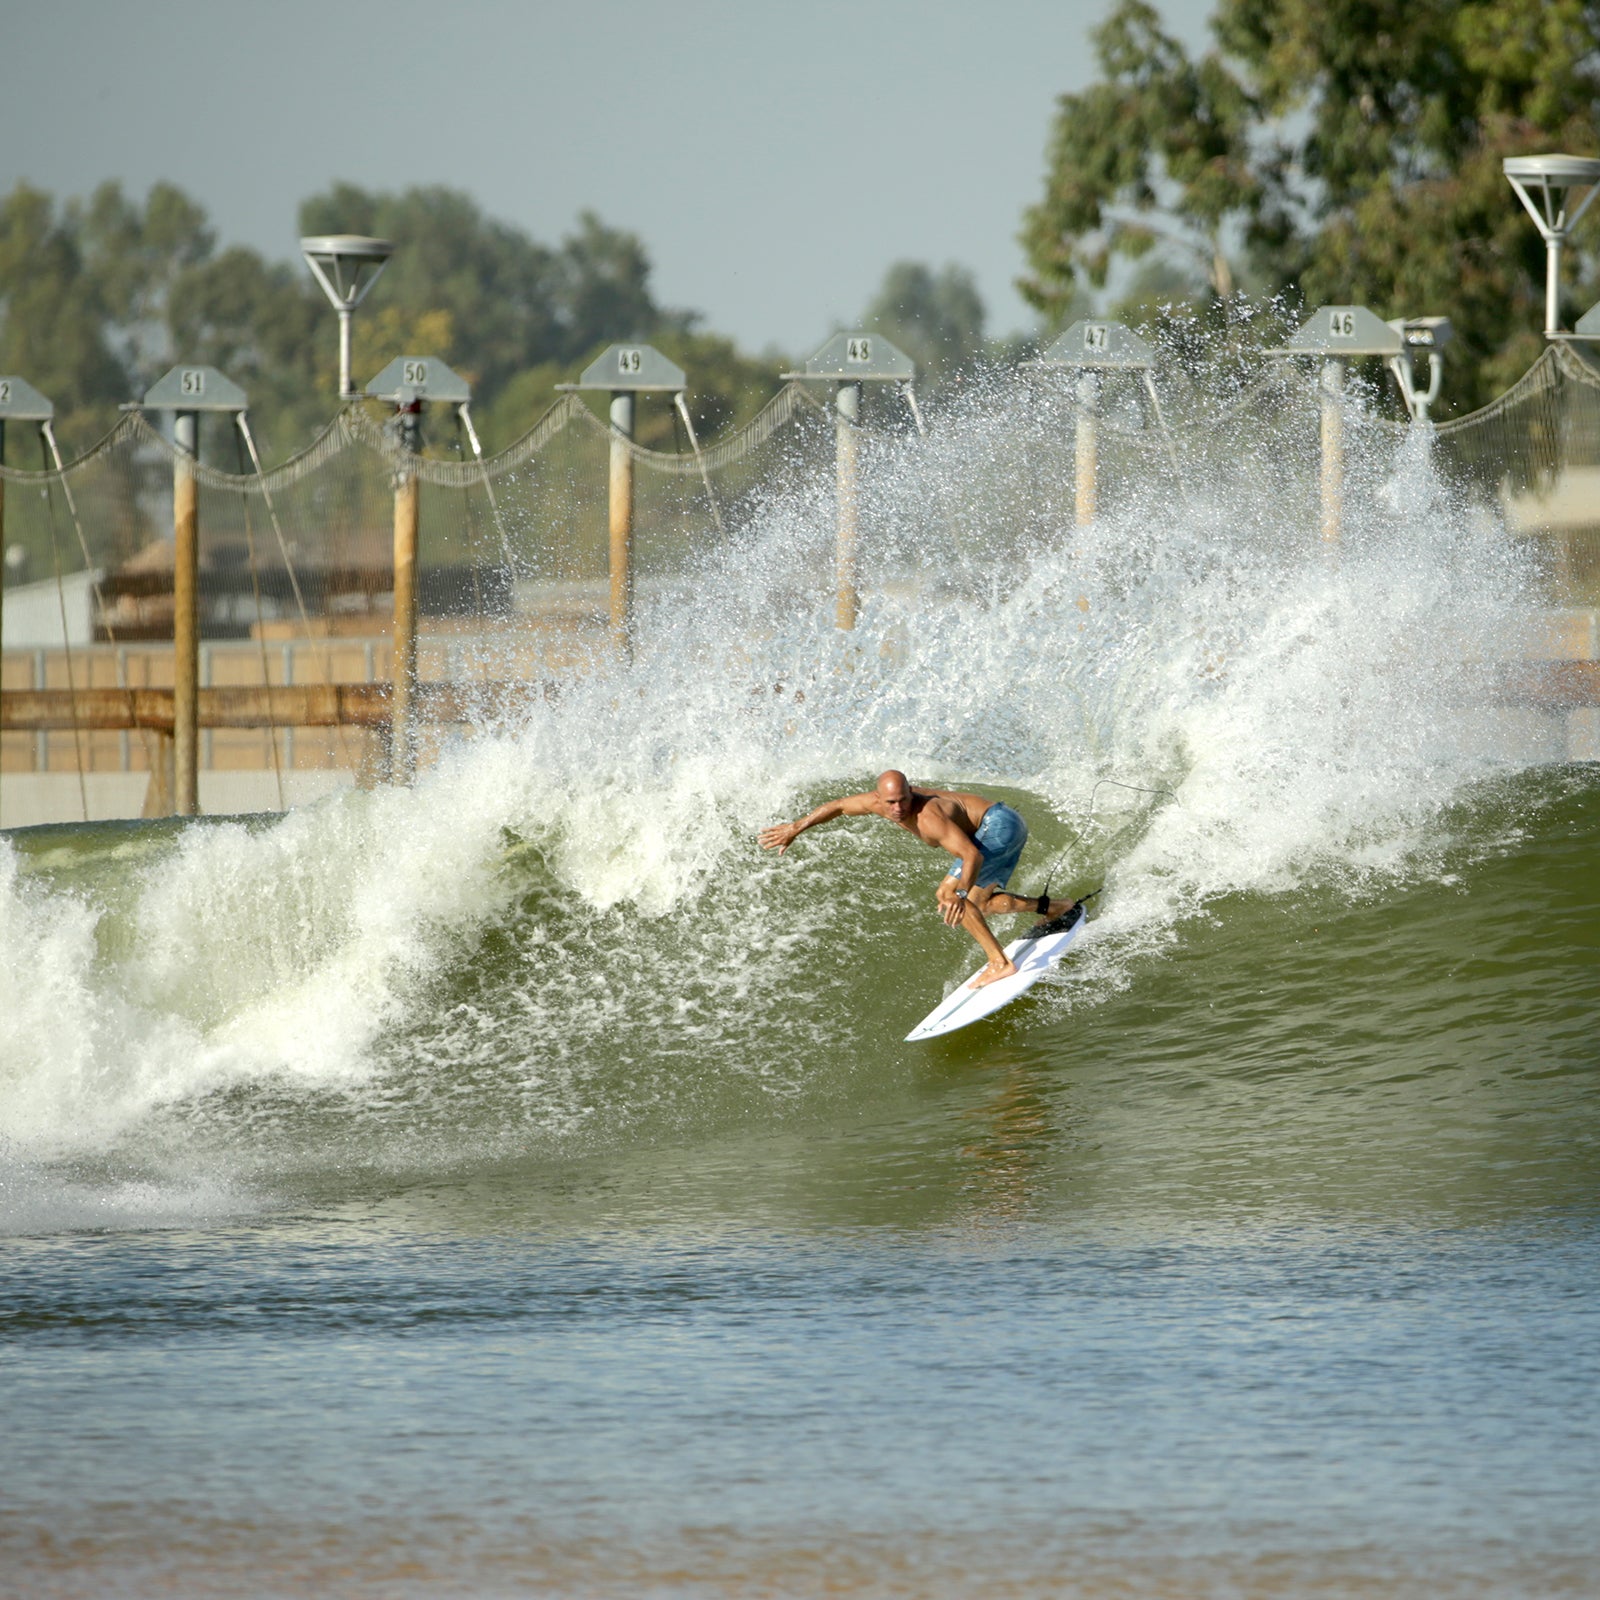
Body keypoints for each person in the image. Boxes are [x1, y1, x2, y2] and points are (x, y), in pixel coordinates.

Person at [758, 769, 1078, 988]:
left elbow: (972, 856)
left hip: (1000, 826)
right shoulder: (877, 804)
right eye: (890, 803)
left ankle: (1000, 963)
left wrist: (960, 893)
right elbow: (838, 807)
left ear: (911, 794)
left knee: (949, 895)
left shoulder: (929, 817)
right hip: (999, 822)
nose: (898, 809)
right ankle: (1055, 908)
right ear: (878, 799)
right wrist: (795, 828)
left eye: (904, 800)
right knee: (983, 904)